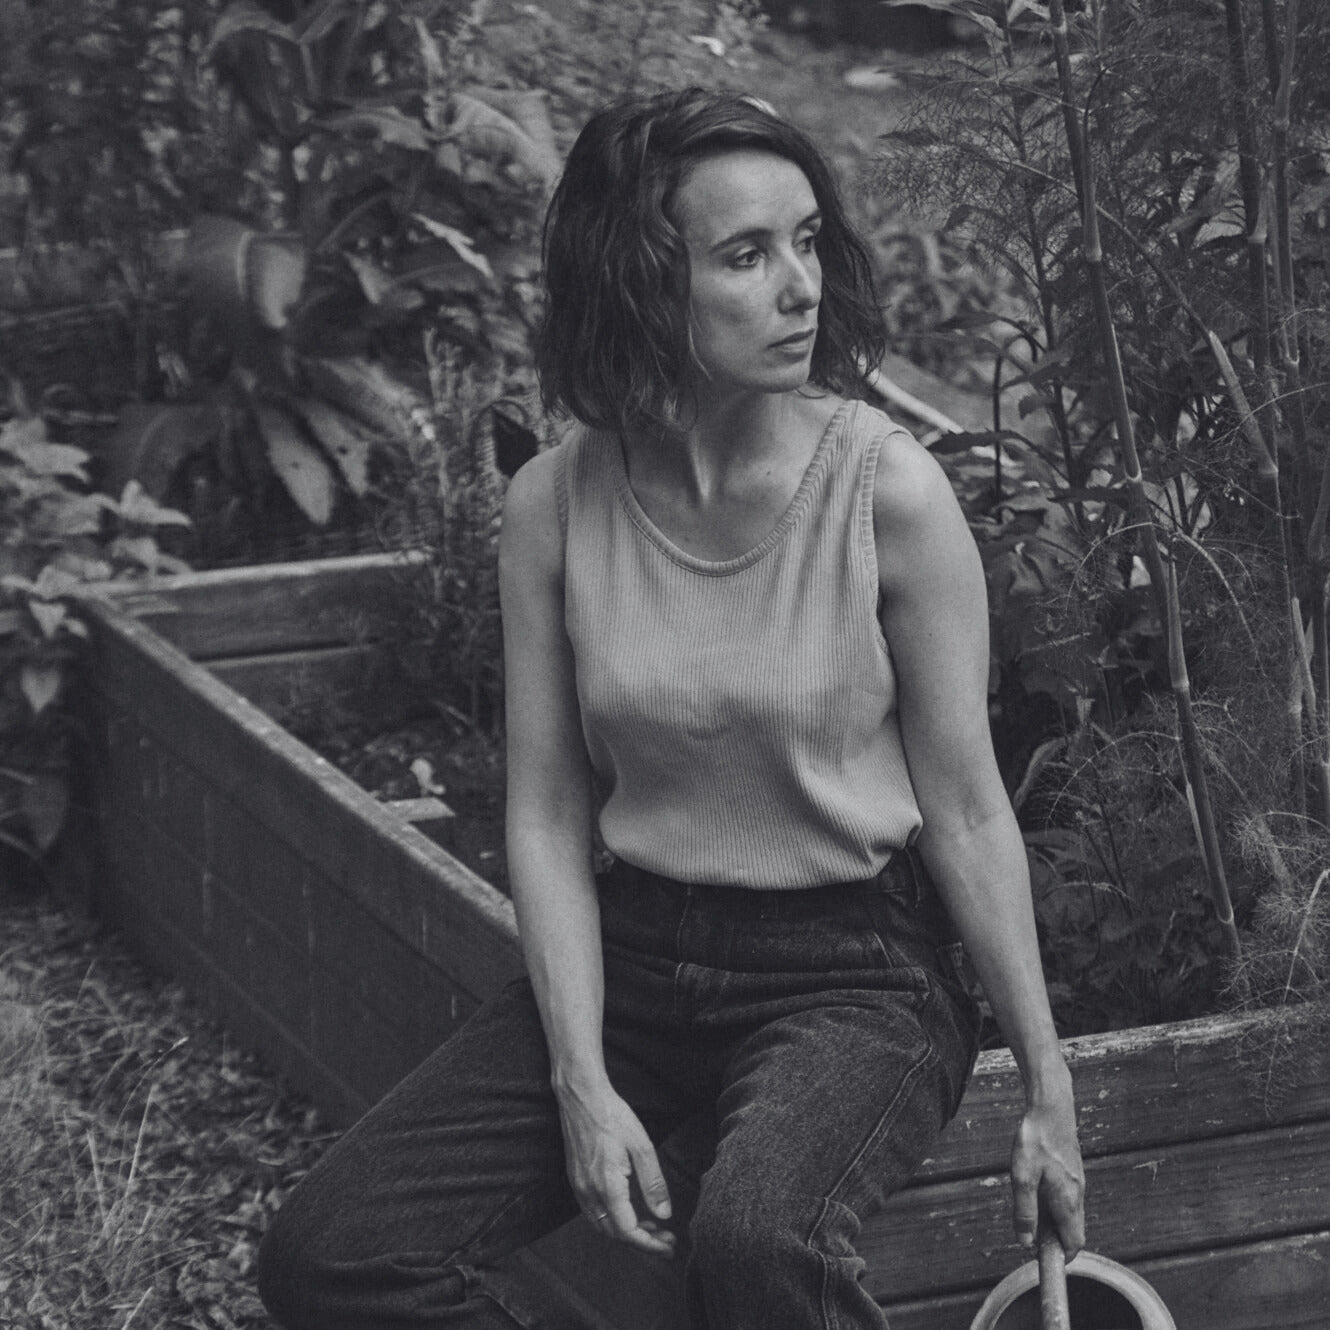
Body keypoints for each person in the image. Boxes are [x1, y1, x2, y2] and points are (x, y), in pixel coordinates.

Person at [256, 87, 1085, 1330]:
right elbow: (545, 812)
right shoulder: (553, 504)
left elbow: (966, 811)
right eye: (746, 255)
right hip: (636, 956)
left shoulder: (888, 492)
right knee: (335, 1248)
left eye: (807, 241)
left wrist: (1047, 1086)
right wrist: (578, 1078)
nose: (801, 287)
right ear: (641, 284)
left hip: (852, 974)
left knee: (753, 1242)